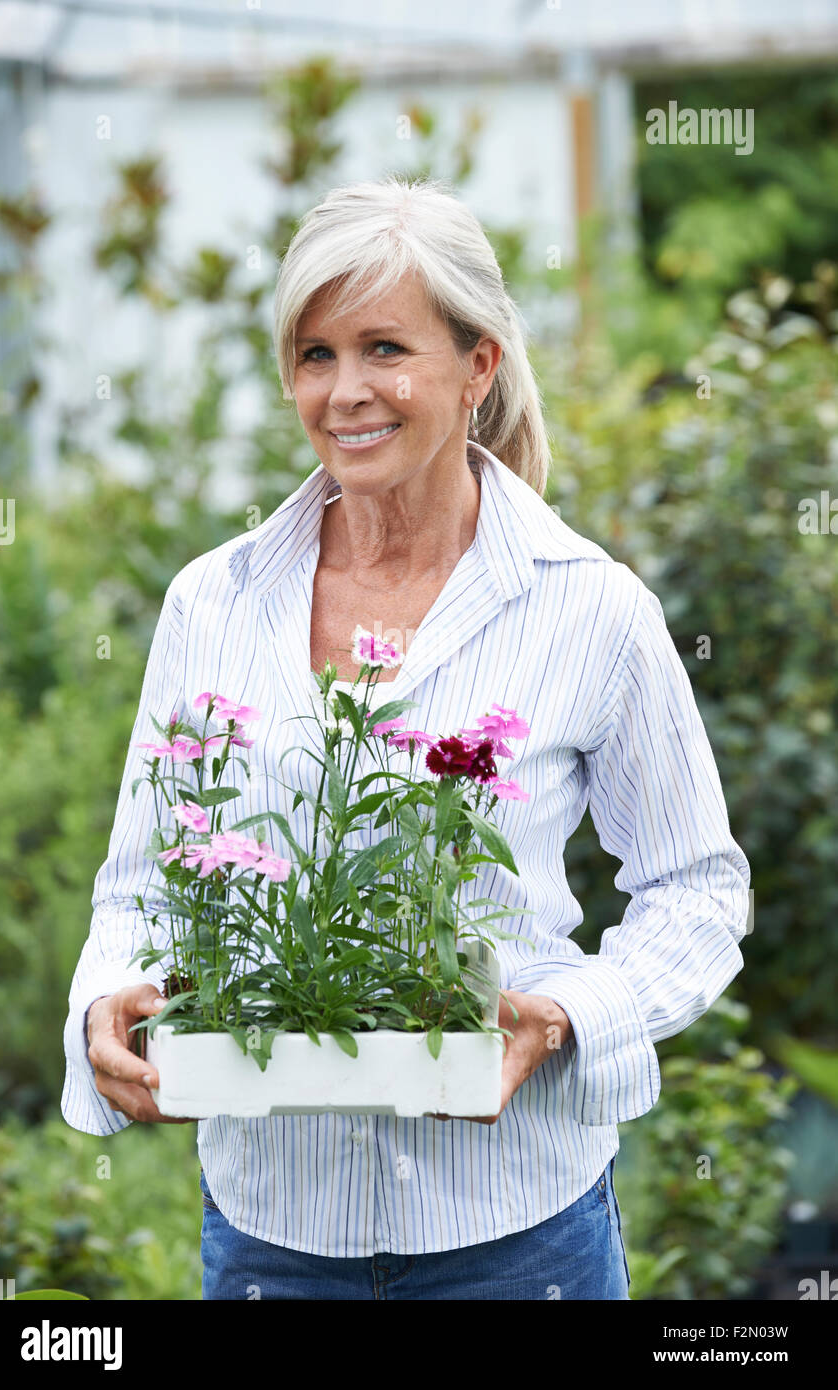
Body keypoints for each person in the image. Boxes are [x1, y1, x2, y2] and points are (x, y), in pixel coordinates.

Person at [62, 175, 751, 1301]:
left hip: (519, 1236)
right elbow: (141, 882)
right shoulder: (213, 603)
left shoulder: (589, 606)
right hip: (274, 1239)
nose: (344, 393)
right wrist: (111, 996)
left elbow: (699, 889)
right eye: (315, 354)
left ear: (477, 367)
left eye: (386, 347)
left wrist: (561, 1014)